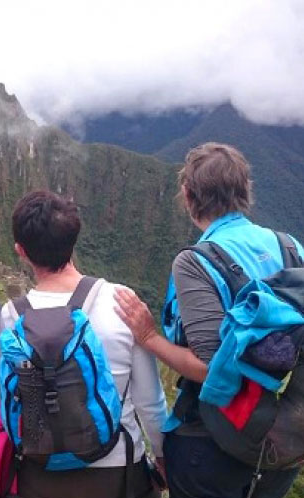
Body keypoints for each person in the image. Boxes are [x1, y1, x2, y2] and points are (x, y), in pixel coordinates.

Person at [114, 142, 304, 498]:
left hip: (212, 442)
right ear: (246, 190)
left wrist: (149, 336)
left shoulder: (196, 262)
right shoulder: (291, 247)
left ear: (187, 196)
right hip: (280, 443)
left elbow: (209, 367)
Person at [0, 190, 167, 498]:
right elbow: (149, 402)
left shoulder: (11, 314)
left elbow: (1, 386)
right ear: (74, 241)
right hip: (118, 473)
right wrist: (164, 458)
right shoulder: (122, 301)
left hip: (39, 471)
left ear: (20, 250)